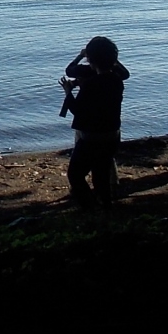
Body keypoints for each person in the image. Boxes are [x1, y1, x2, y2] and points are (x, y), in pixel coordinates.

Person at [60, 36, 128, 207]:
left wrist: (68, 92)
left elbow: (77, 110)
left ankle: (89, 207)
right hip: (112, 134)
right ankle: (106, 207)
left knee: (75, 175)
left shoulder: (90, 84)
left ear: (90, 59)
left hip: (92, 137)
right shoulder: (116, 81)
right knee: (101, 174)